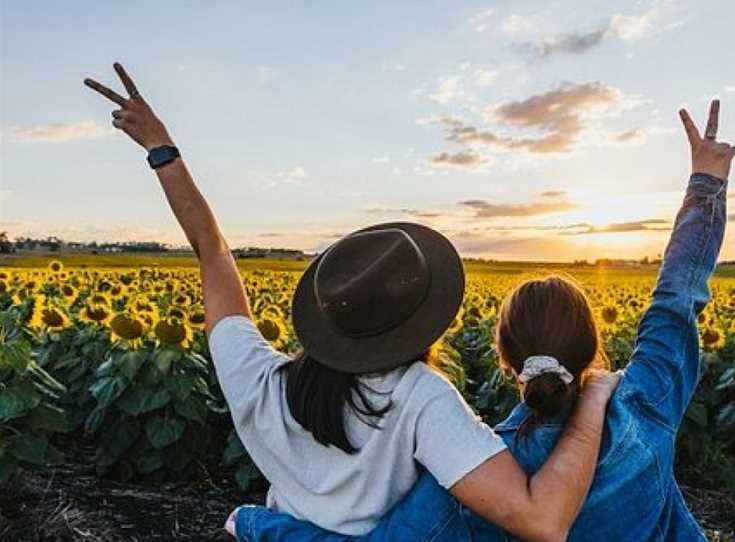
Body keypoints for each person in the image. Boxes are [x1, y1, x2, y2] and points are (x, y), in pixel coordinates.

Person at [84, 63, 622, 542]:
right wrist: (593, 399)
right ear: (424, 321)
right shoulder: (421, 399)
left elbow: (211, 249)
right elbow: (542, 521)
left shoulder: (259, 381)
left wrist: (162, 150)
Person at [223, 100, 735, 542]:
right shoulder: (648, 399)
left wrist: (256, 524)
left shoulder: (482, 475)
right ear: (591, 342)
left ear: (506, 359)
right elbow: (676, 297)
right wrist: (706, 181)